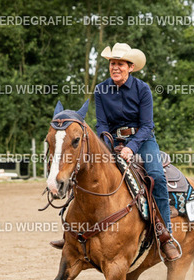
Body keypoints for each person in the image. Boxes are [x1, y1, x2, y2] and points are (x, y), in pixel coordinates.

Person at [51, 42, 180, 261]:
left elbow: (147, 125)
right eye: (112, 63)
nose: (115, 67)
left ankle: (164, 234)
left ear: (131, 67)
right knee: (85, 171)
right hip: (111, 140)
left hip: (142, 140)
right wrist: (105, 146)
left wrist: (131, 147)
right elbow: (101, 124)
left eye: (120, 64)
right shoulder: (101, 90)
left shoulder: (143, 89)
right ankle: (72, 232)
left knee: (156, 176)